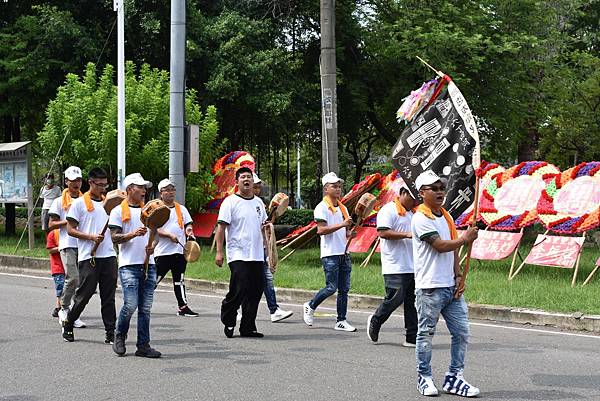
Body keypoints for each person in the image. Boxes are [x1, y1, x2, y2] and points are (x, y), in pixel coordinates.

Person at [411, 170, 479, 397]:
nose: (440, 192)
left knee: (462, 332)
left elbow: (453, 248)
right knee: (426, 334)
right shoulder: (420, 218)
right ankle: (424, 377)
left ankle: (454, 378)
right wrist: (465, 238)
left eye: (442, 188)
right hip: (430, 287)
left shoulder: (446, 216)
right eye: (434, 188)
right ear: (422, 193)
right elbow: (440, 245)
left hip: (450, 287)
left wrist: (458, 275)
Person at [61, 167, 117, 344]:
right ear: (90, 183)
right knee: (85, 294)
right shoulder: (79, 204)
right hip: (88, 257)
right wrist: (90, 237)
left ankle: (110, 332)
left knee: (108, 296)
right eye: (99, 184)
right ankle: (69, 323)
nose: (103, 188)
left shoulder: (109, 204)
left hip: (108, 256)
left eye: (105, 185)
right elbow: (70, 229)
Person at [109, 173, 161, 358]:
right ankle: (119, 335)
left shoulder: (149, 210)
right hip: (129, 264)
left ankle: (143, 345)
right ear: (130, 189)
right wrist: (132, 234)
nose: (144, 191)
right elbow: (114, 237)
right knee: (131, 304)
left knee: (145, 308)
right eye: (141, 187)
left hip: (149, 264)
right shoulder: (117, 211)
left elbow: (154, 234)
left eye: (145, 187)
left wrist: (152, 247)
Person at [215, 167, 267, 338]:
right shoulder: (230, 202)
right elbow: (221, 228)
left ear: (253, 181)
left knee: (255, 291)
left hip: (257, 254)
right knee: (239, 289)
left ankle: (247, 327)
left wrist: (269, 251)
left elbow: (264, 227)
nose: (247, 180)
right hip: (238, 254)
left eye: (249, 177)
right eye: (243, 177)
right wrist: (219, 252)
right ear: (236, 182)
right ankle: (229, 320)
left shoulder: (259, 203)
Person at [303, 172, 357, 332]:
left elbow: (345, 232)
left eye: (339, 186)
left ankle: (341, 320)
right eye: (334, 186)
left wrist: (350, 233)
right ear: (326, 189)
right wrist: (342, 225)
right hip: (330, 254)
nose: (338, 189)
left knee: (344, 290)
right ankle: (310, 305)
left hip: (344, 254)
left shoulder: (343, 208)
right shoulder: (321, 207)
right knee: (331, 287)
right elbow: (321, 230)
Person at [367, 186, 418, 346]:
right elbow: (383, 232)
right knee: (395, 299)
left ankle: (412, 337)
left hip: (413, 265)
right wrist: (407, 234)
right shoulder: (388, 210)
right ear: (402, 193)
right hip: (394, 265)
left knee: (413, 303)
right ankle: (376, 320)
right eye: (412, 197)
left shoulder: (414, 213)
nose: (415, 201)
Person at [48, 166, 86, 328]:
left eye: (78, 180)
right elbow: (51, 224)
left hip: (85, 245)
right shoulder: (58, 202)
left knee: (84, 282)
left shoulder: (87, 201)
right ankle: (63, 308)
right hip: (68, 244)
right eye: (72, 181)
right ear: (66, 182)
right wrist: (69, 221)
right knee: (73, 278)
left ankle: (73, 314)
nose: (76, 183)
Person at [252, 173, 293, 323]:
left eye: (258, 187)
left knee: (267, 279)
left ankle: (274, 310)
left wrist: (271, 221)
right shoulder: (240, 202)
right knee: (244, 282)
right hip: (246, 252)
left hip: (261, 248)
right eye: (254, 186)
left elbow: (265, 224)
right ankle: (235, 309)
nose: (256, 189)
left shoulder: (260, 204)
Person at [155, 178, 198, 317]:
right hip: (162, 251)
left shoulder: (181, 208)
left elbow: (188, 224)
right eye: (167, 190)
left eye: (172, 189)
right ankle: (141, 302)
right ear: (161, 193)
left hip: (180, 251)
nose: (171, 192)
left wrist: (189, 231)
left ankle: (183, 307)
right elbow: (152, 228)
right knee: (155, 279)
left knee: (179, 280)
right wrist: (168, 235)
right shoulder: (157, 208)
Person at [47, 229, 65, 318]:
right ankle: (60, 308)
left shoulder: (71, 232)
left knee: (68, 289)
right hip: (58, 267)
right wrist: (62, 247)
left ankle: (60, 308)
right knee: (61, 289)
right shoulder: (53, 233)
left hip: (69, 267)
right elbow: (50, 250)